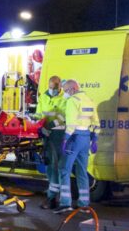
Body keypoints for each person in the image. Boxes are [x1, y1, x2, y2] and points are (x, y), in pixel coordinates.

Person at [55, 78, 96, 213]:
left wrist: (65, 139)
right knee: (82, 171)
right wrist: (95, 139)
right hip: (86, 138)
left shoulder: (72, 101)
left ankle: (65, 203)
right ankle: (84, 204)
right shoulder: (89, 100)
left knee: (64, 170)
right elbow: (96, 122)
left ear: (73, 89)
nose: (65, 93)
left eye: (66, 90)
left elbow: (71, 124)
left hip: (74, 138)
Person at [29, 75, 65, 210]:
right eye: (51, 87)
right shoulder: (43, 97)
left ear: (60, 86)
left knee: (57, 166)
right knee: (50, 165)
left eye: (56, 88)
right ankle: (53, 196)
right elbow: (40, 114)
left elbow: (63, 117)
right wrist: (33, 119)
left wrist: (49, 126)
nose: (53, 90)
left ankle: (54, 198)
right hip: (46, 134)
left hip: (58, 134)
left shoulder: (64, 98)